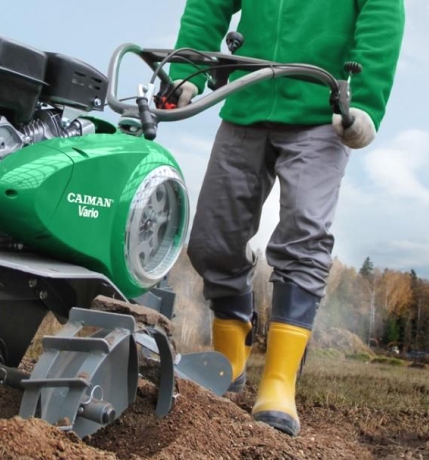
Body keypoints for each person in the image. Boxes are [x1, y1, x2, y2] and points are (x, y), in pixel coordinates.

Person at [168, 0, 404, 437]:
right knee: (212, 239)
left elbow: (383, 12)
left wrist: (366, 100)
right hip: (247, 98)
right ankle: (229, 356)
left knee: (303, 235)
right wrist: (189, 63)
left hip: (321, 109)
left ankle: (278, 381)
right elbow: (209, 3)